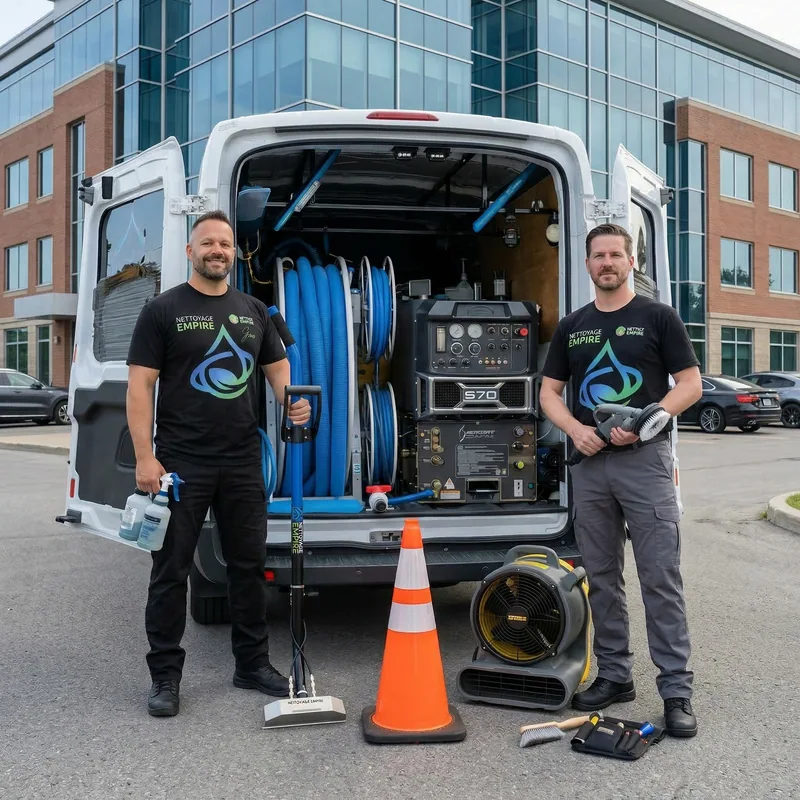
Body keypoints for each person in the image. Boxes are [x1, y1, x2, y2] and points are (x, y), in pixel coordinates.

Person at [126, 209, 311, 717]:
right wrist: (147, 457)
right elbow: (140, 385)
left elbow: (279, 372)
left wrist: (292, 400)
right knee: (171, 570)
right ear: (190, 251)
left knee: (248, 567)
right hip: (180, 463)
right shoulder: (162, 310)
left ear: (235, 253)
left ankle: (251, 664)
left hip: (241, 460)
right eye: (207, 243)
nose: (217, 251)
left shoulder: (254, 310)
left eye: (225, 244)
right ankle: (165, 676)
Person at [539, 223, 702, 738]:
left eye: (615, 254)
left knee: (660, 578)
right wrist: (577, 431)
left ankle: (675, 690)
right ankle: (614, 676)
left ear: (632, 262)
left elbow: (691, 385)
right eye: (597, 256)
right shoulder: (573, 326)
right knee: (603, 578)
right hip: (590, 467)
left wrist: (647, 420)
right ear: (587, 265)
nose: (606, 262)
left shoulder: (658, 317)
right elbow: (548, 393)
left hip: (644, 463)